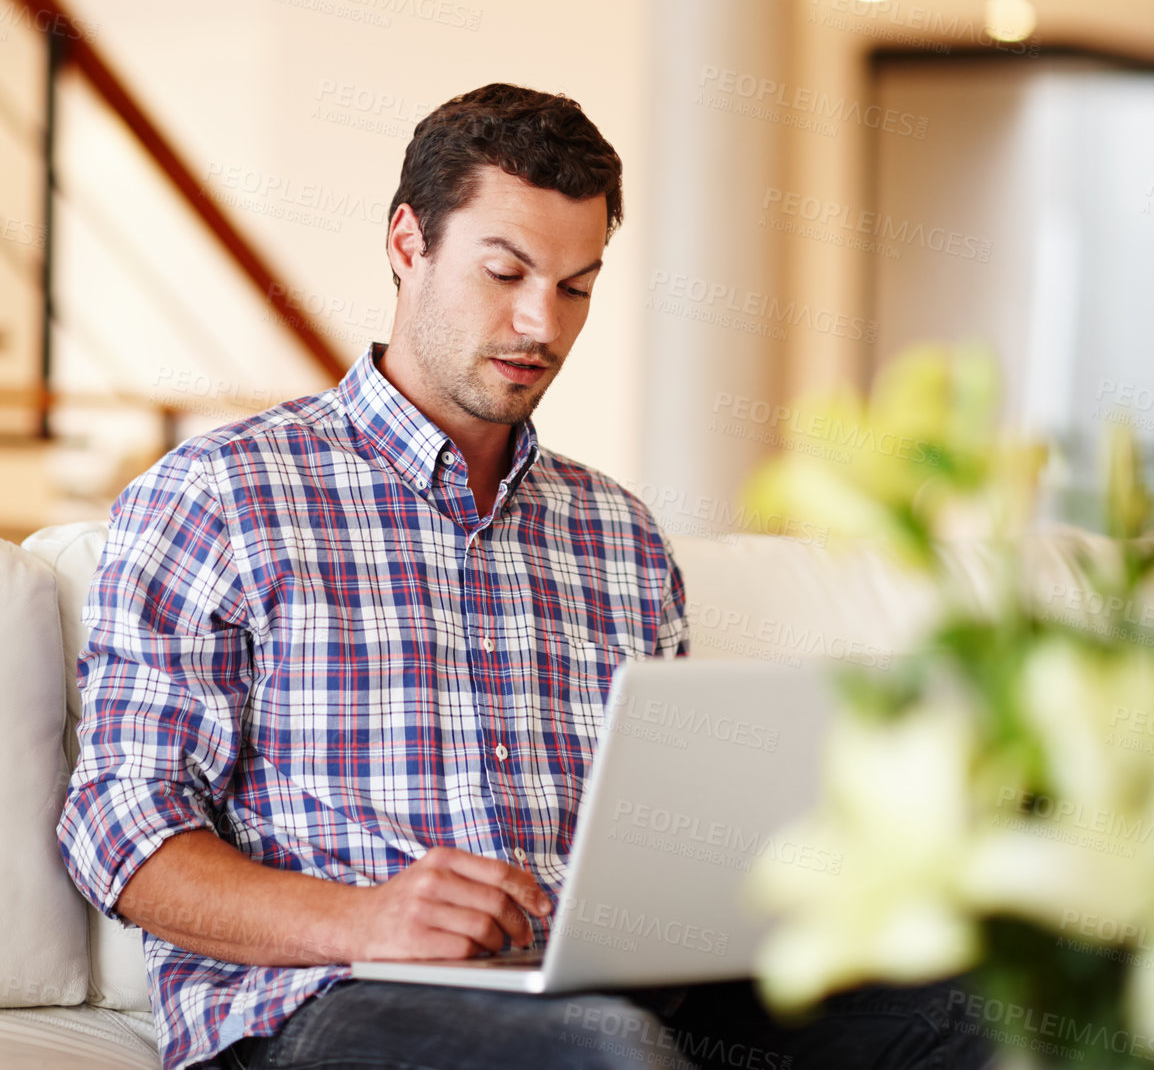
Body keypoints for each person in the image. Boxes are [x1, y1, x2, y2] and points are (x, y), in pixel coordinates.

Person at [59, 84, 990, 1070]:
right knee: (604, 1051)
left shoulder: (619, 537)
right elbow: (121, 830)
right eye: (504, 271)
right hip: (328, 1003)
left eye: (575, 286)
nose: (539, 324)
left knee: (979, 1007)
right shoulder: (220, 494)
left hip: (612, 995)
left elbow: (672, 835)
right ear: (407, 244)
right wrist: (365, 919)